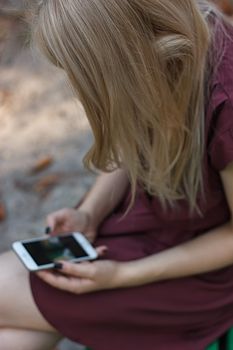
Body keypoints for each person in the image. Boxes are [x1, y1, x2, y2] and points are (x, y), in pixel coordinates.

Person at [1, 0, 233, 349]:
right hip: (159, 213)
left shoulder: (226, 103)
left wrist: (124, 276)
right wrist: (90, 212)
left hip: (204, 267)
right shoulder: (165, 46)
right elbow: (138, 137)